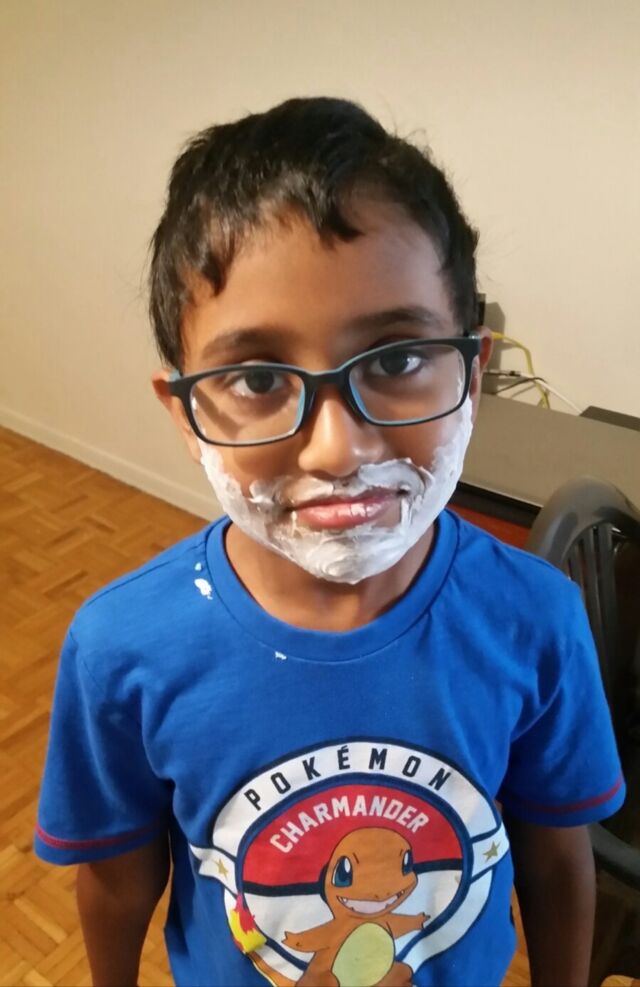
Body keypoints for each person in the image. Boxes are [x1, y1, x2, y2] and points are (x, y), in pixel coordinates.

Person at [35, 97, 624, 987]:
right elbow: (118, 887)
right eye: (257, 378)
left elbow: (557, 861)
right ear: (185, 413)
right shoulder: (122, 650)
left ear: (473, 374)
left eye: (395, 360)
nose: (336, 450)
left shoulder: (537, 618)